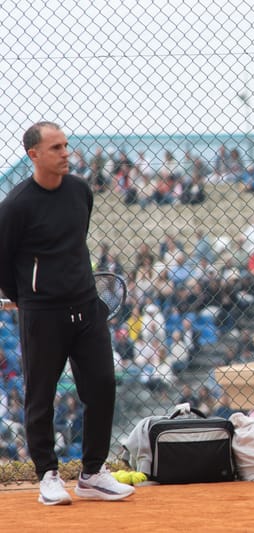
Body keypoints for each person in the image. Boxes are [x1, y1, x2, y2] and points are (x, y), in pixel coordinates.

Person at [0, 121, 135, 505]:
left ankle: (92, 473)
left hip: (88, 307)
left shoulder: (80, 191)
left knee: (103, 388)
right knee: (40, 396)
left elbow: (77, 240)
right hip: (42, 314)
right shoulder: (15, 206)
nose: (65, 153)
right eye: (56, 148)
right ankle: (47, 475)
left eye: (66, 146)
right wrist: (26, 297)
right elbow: (3, 263)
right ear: (34, 155)